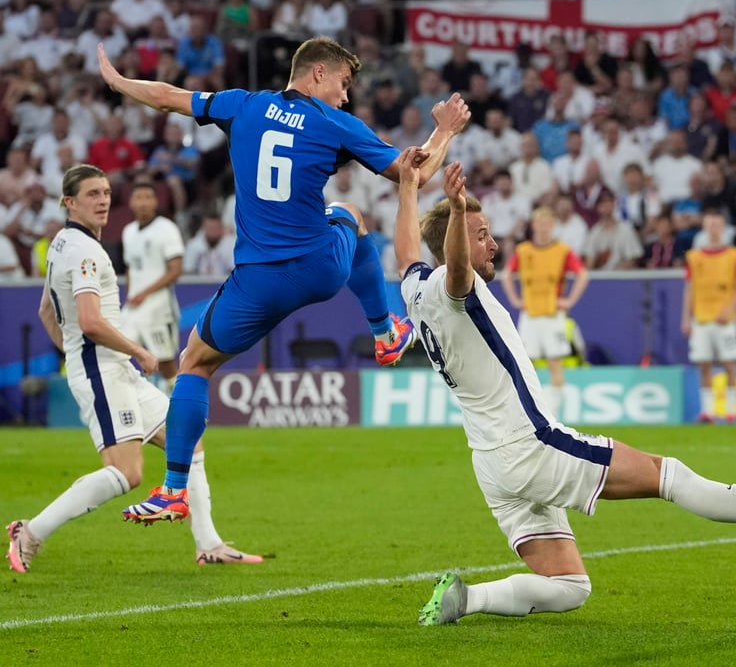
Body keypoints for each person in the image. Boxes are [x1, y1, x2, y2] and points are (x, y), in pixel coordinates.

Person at [388, 150, 736, 627]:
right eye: (481, 235)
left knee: (570, 588)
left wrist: (408, 186)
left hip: (491, 463)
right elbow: (460, 269)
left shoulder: (417, 289)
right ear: (454, 245)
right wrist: (456, 209)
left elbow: (406, 251)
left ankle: (467, 599)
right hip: (531, 446)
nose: (493, 244)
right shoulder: (453, 287)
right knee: (667, 474)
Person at [95, 36, 471, 523]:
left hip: (257, 281)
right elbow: (412, 172)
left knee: (193, 365)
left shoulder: (242, 105)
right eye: (342, 82)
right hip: (319, 267)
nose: (346, 95)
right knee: (351, 215)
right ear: (317, 73)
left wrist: (118, 81)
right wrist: (444, 131)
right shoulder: (334, 122)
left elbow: (167, 96)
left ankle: (172, 490)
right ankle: (385, 331)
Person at [7, 165, 260, 573]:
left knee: (188, 438)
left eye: (106, 192)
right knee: (126, 472)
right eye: (92, 194)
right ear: (69, 202)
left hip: (108, 368)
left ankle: (209, 543)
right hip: (106, 371)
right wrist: (136, 351)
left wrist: (74, 355)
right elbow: (89, 321)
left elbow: (45, 310)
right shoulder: (86, 252)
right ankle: (31, 531)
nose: (104, 200)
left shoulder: (62, 244)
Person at [501, 207, 590, 416]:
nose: (543, 228)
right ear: (533, 226)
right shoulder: (523, 251)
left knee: (555, 362)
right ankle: (525, 412)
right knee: (523, 364)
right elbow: (506, 274)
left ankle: (554, 415)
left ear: (552, 226)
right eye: (540, 224)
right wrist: (515, 299)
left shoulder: (562, 250)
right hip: (530, 315)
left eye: (547, 224)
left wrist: (569, 300)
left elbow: (582, 275)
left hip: (552, 315)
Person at [682, 209, 736, 423]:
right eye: (709, 225)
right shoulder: (694, 257)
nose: (713, 230)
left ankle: (730, 411)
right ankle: (708, 412)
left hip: (725, 320)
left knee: (730, 364)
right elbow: (689, 288)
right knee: (704, 365)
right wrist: (686, 317)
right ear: (704, 228)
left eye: (717, 225)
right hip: (701, 319)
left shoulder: (735, 255)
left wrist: (729, 309)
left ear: (723, 228)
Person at [121, 181, 184, 393]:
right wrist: (132, 293)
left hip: (159, 306)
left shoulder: (166, 229)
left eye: (148, 197)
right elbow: (130, 267)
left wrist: (145, 293)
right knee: (116, 355)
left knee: (165, 362)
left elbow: (175, 270)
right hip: (134, 307)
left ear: (156, 202)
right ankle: (131, 403)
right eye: (138, 197)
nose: (143, 203)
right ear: (130, 202)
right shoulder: (128, 231)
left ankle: (178, 403)